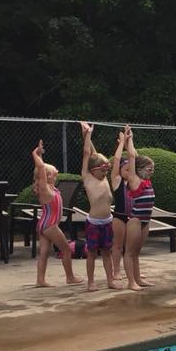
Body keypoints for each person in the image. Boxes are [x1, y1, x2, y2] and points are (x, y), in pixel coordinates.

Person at [30, 140, 82, 287]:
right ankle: (70, 277)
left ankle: (40, 281)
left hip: (43, 224)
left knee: (44, 253)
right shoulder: (44, 187)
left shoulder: (49, 187)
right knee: (66, 249)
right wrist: (35, 153)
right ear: (46, 176)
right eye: (54, 174)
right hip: (50, 225)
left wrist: (40, 154)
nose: (56, 175)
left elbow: (40, 168)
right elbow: (40, 168)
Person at [79, 122, 120, 291]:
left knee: (107, 253)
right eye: (102, 171)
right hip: (94, 223)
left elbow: (95, 154)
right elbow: (88, 153)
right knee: (92, 253)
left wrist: (88, 135)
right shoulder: (88, 178)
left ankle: (110, 280)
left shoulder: (101, 177)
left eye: (106, 171)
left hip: (107, 221)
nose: (105, 174)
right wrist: (87, 136)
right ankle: (91, 282)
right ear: (92, 170)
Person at [121, 126, 156, 290]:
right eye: (150, 168)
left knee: (136, 253)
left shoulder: (147, 181)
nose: (152, 171)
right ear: (140, 169)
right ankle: (131, 282)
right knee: (129, 252)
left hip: (145, 220)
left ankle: (138, 279)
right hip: (135, 220)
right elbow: (132, 156)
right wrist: (129, 139)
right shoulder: (134, 180)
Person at [109, 130, 128, 279]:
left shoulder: (135, 181)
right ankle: (116, 270)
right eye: (125, 169)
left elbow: (136, 160)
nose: (129, 171)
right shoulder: (117, 181)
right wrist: (122, 143)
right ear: (120, 171)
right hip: (120, 216)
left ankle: (132, 271)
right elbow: (116, 160)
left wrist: (129, 143)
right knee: (118, 245)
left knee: (132, 248)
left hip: (133, 217)